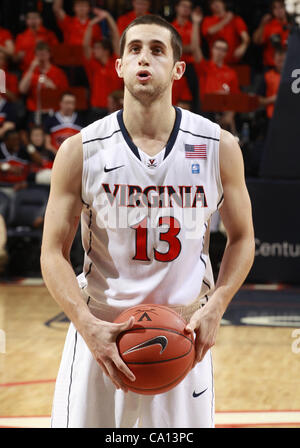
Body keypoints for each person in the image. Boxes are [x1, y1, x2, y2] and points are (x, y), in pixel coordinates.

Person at [41, 14, 254, 428]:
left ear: (177, 69)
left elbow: (243, 238)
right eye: (134, 49)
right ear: (118, 66)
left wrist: (219, 304)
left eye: (157, 50)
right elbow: (52, 252)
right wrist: (86, 325)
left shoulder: (218, 147)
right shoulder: (80, 151)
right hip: (100, 331)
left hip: (184, 335)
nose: (144, 58)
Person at [192, 11, 240, 135]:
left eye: (223, 50)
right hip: (206, 112)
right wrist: (196, 23)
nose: (220, 52)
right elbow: (195, 48)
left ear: (226, 53)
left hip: (223, 114)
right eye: (217, 48)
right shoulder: (205, 66)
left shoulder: (231, 72)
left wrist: (230, 115)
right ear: (212, 49)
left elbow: (235, 98)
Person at [83, 8, 123, 120]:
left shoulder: (116, 62)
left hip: (115, 110)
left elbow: (116, 37)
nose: (94, 50)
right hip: (96, 111)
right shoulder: (94, 65)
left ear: (106, 51)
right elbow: (85, 46)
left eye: (97, 48)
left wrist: (108, 17)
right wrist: (90, 24)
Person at [19, 41, 69, 126]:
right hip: (34, 111)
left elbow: (64, 95)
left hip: (52, 111)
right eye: (39, 55)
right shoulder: (31, 72)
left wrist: (52, 86)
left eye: (44, 55)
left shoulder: (58, 72)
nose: (41, 58)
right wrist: (31, 68)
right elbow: (22, 90)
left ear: (49, 54)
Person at [202, 0, 250, 65]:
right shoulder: (207, 20)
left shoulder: (236, 19)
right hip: (215, 62)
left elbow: (245, 37)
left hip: (234, 62)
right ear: (210, 7)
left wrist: (243, 46)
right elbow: (210, 32)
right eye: (212, 3)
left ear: (224, 3)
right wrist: (226, 20)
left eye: (218, 1)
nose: (216, 4)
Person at [253, 0, 290, 68]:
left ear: (286, 8)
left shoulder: (293, 25)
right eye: (275, 8)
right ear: (272, 11)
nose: (278, 11)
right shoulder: (269, 26)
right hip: (271, 66)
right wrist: (262, 24)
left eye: (281, 7)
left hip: (289, 65)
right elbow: (257, 41)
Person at [257, 47, 286, 119]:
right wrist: (272, 99)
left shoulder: (295, 77)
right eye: (279, 61)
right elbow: (258, 100)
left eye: (284, 61)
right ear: (274, 60)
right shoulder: (267, 76)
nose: (282, 64)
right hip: (271, 117)